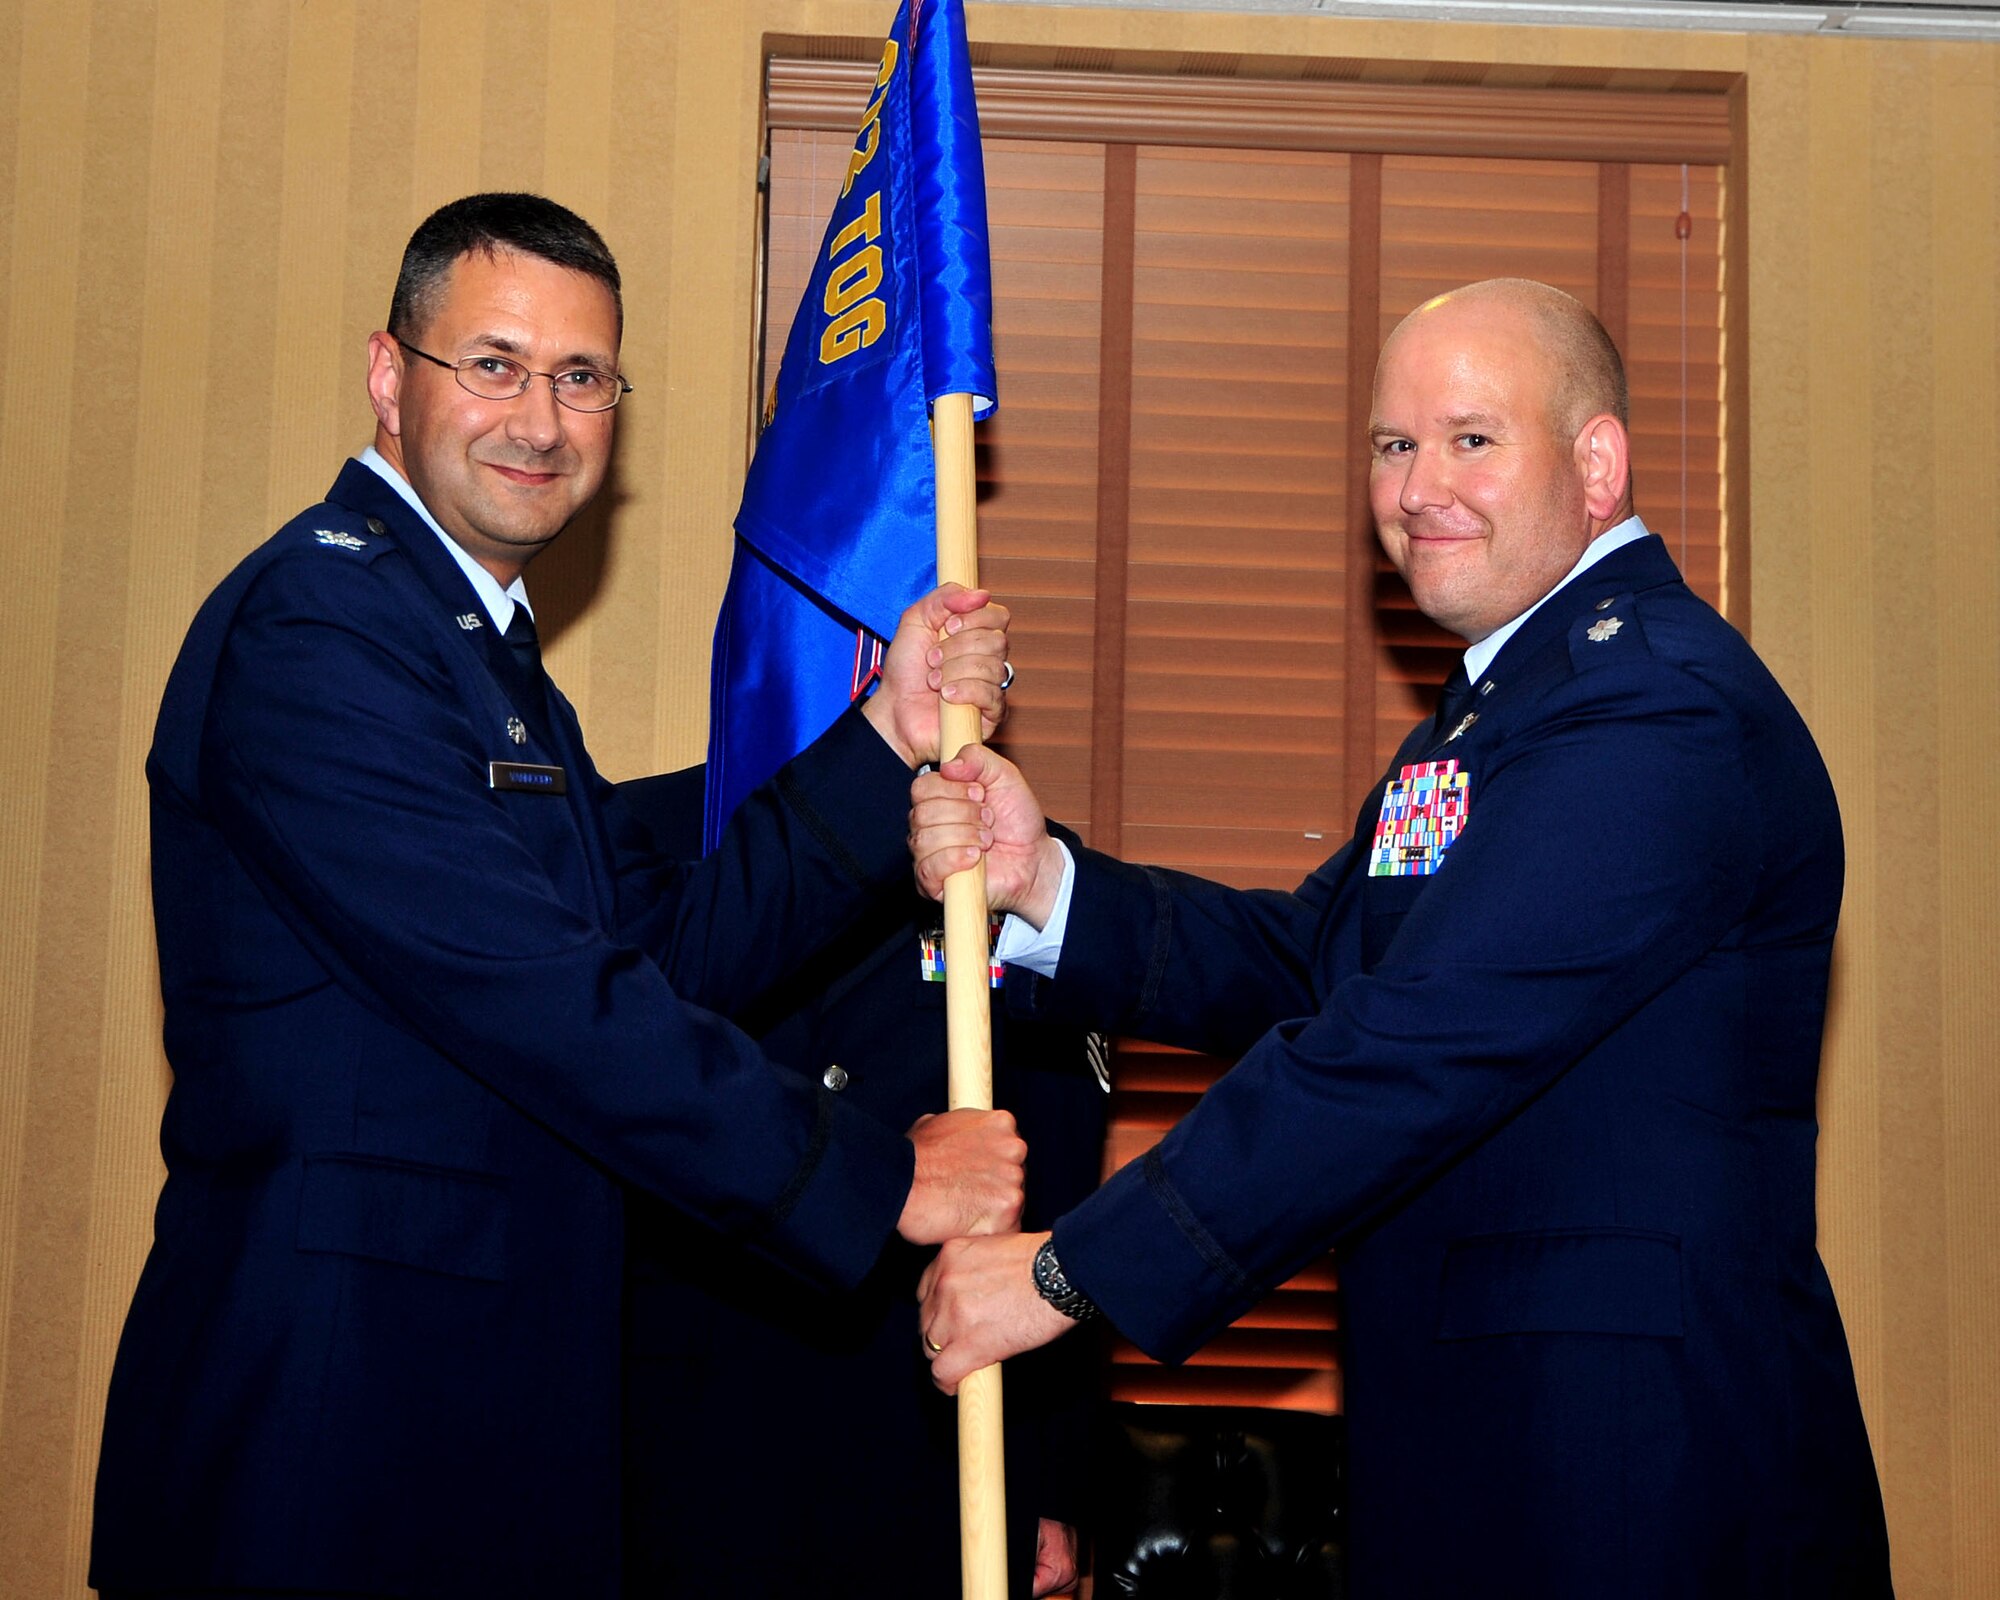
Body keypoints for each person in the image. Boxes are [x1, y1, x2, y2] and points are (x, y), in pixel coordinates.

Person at [90, 192, 1026, 1600]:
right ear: (389, 375)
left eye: (582, 378)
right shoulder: (319, 629)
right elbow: (544, 1001)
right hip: (332, 1429)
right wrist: (876, 1173)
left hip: (471, 1424)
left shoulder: (478, 653)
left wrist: (887, 736)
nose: (540, 419)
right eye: (496, 364)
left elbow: (657, 953)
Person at [911, 279, 1892, 1598]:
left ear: (1596, 465)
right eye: (1393, 445)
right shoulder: (1498, 712)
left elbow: (1408, 1042)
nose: (1420, 485)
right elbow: (1313, 965)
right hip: (1487, 1442)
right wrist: (1048, 886)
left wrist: (1072, 1270)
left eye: (1473, 439)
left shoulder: (1658, 711)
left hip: (1631, 1468)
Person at [616, 764, 1104, 1599]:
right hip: (686, 1400)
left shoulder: (999, 853)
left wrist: (1054, 1481)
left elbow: (1057, 1185)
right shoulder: (643, 831)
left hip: (923, 1406)